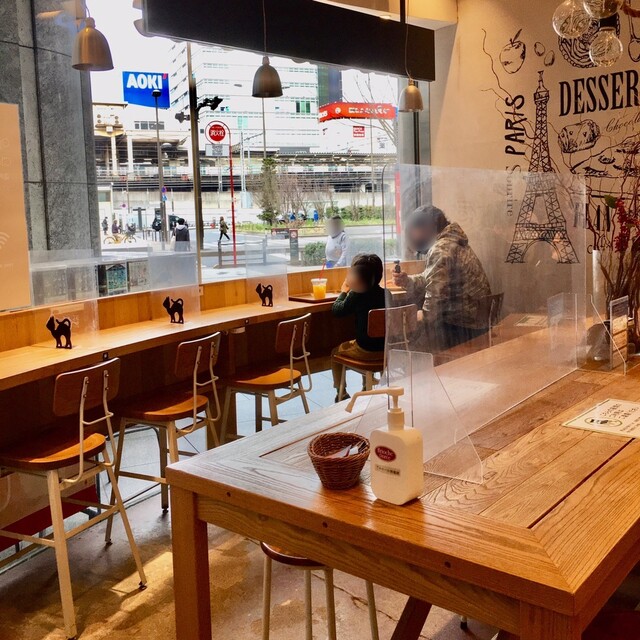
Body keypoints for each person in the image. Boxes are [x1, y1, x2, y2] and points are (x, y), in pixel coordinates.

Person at [393, 205, 491, 351]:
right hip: (475, 322)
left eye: (414, 231)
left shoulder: (441, 249)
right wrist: (408, 281)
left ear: (428, 228)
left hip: (461, 327)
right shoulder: (454, 241)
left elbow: (433, 306)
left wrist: (415, 318)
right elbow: (434, 279)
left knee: (402, 335)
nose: (413, 237)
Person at [331, 254, 387, 402]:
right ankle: (365, 386)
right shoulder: (386, 293)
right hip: (386, 351)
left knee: (335, 352)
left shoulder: (356, 295)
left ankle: (341, 393)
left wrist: (344, 291)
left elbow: (337, 310)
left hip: (365, 352)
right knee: (362, 340)